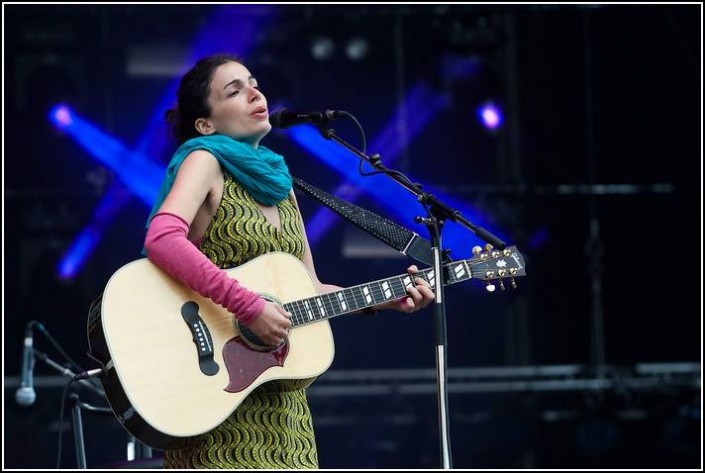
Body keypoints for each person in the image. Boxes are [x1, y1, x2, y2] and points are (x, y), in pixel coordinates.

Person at [143, 53, 435, 469]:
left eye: (253, 83)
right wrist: (248, 305)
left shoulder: (282, 187)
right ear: (205, 124)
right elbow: (162, 238)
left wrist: (384, 298)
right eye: (234, 90)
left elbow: (310, 289)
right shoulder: (203, 160)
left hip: (286, 415)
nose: (254, 93)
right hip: (216, 399)